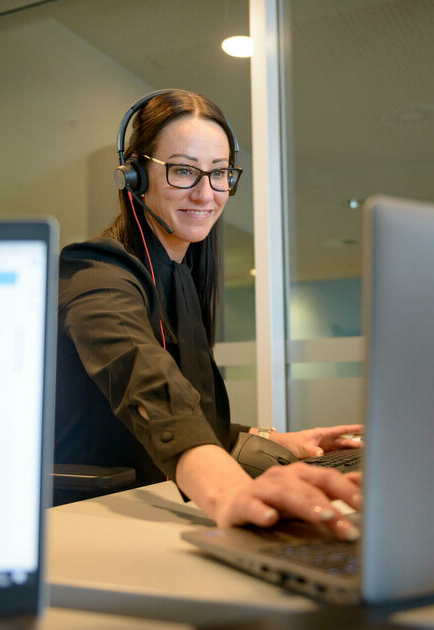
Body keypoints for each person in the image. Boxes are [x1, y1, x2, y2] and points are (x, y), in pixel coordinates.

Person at [55, 89, 362, 540]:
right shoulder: (97, 271)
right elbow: (148, 384)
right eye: (183, 170)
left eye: (219, 173)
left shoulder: (181, 273)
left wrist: (278, 440)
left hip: (158, 501)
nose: (207, 193)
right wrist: (229, 491)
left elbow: (193, 408)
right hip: (94, 521)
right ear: (135, 176)